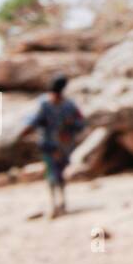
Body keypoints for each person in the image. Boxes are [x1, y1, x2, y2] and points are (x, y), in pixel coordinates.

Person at [22, 74, 87, 218]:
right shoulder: (46, 104)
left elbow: (81, 123)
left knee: (59, 173)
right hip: (50, 145)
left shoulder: (68, 106)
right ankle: (55, 203)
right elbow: (35, 121)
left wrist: (70, 126)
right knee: (52, 173)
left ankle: (61, 202)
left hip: (63, 145)